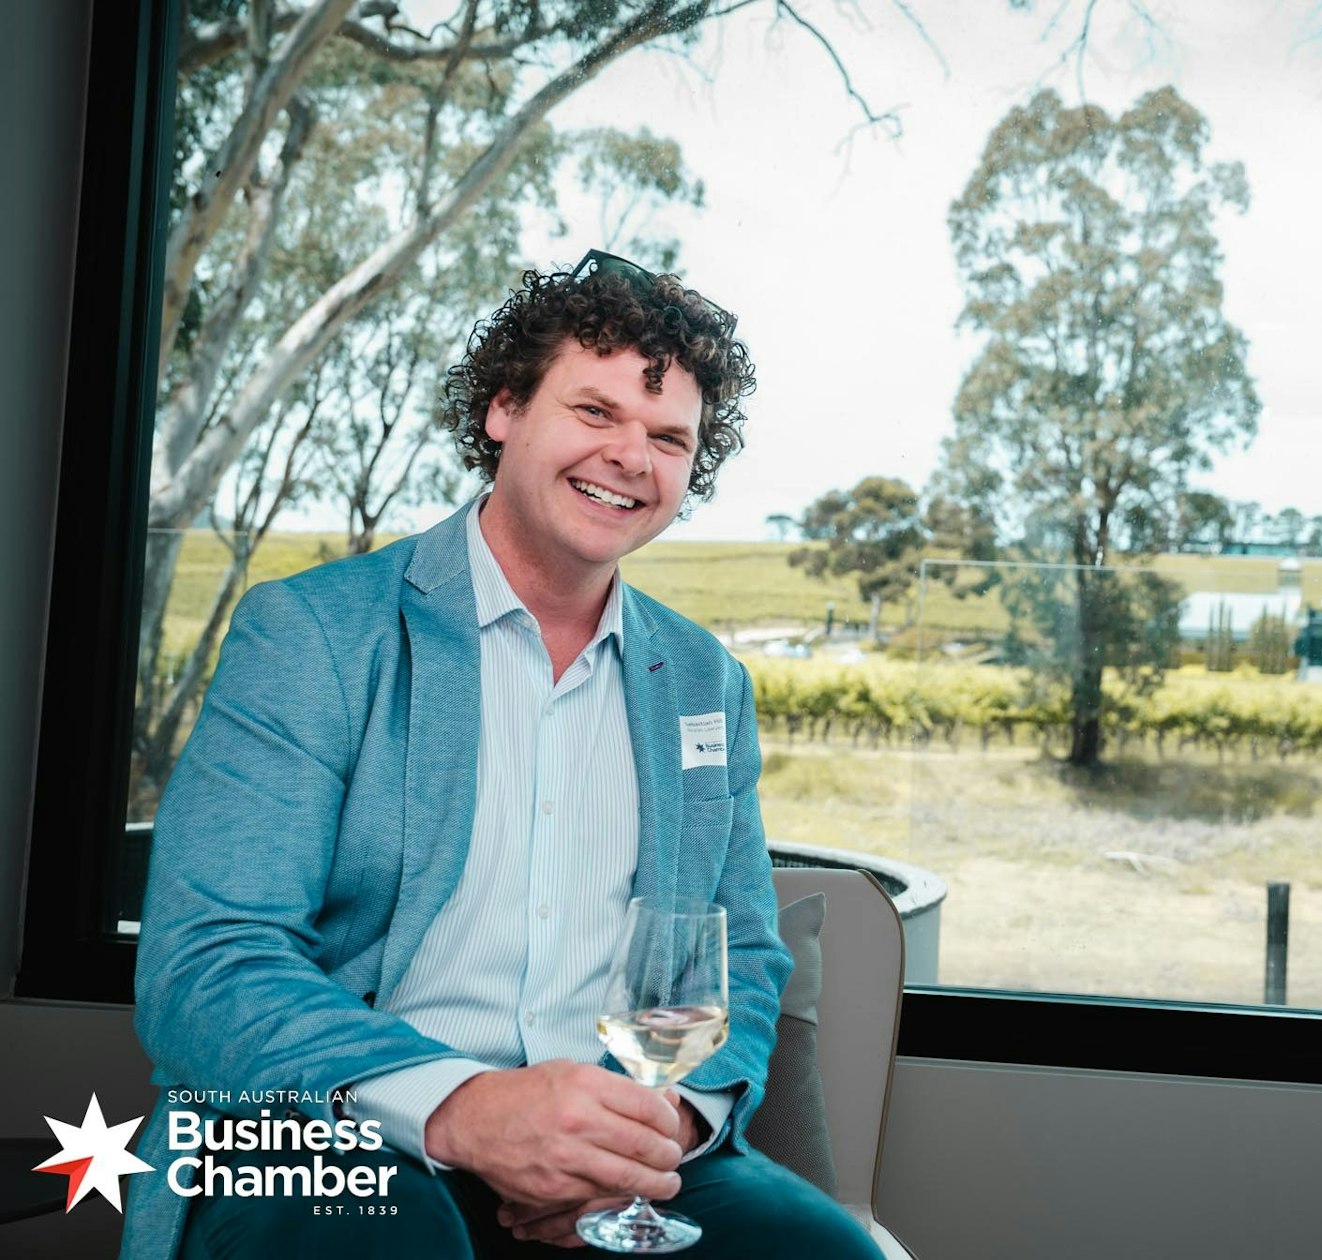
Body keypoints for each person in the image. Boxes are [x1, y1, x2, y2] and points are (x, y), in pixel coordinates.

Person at [122, 253, 882, 1259]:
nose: (632, 456)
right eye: (595, 411)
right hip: (335, 1127)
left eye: (668, 438)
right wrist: (465, 1109)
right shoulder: (313, 634)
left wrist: (653, 1129)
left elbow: (737, 955)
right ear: (504, 409)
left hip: (618, 1136)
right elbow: (209, 964)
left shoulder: (707, 682)